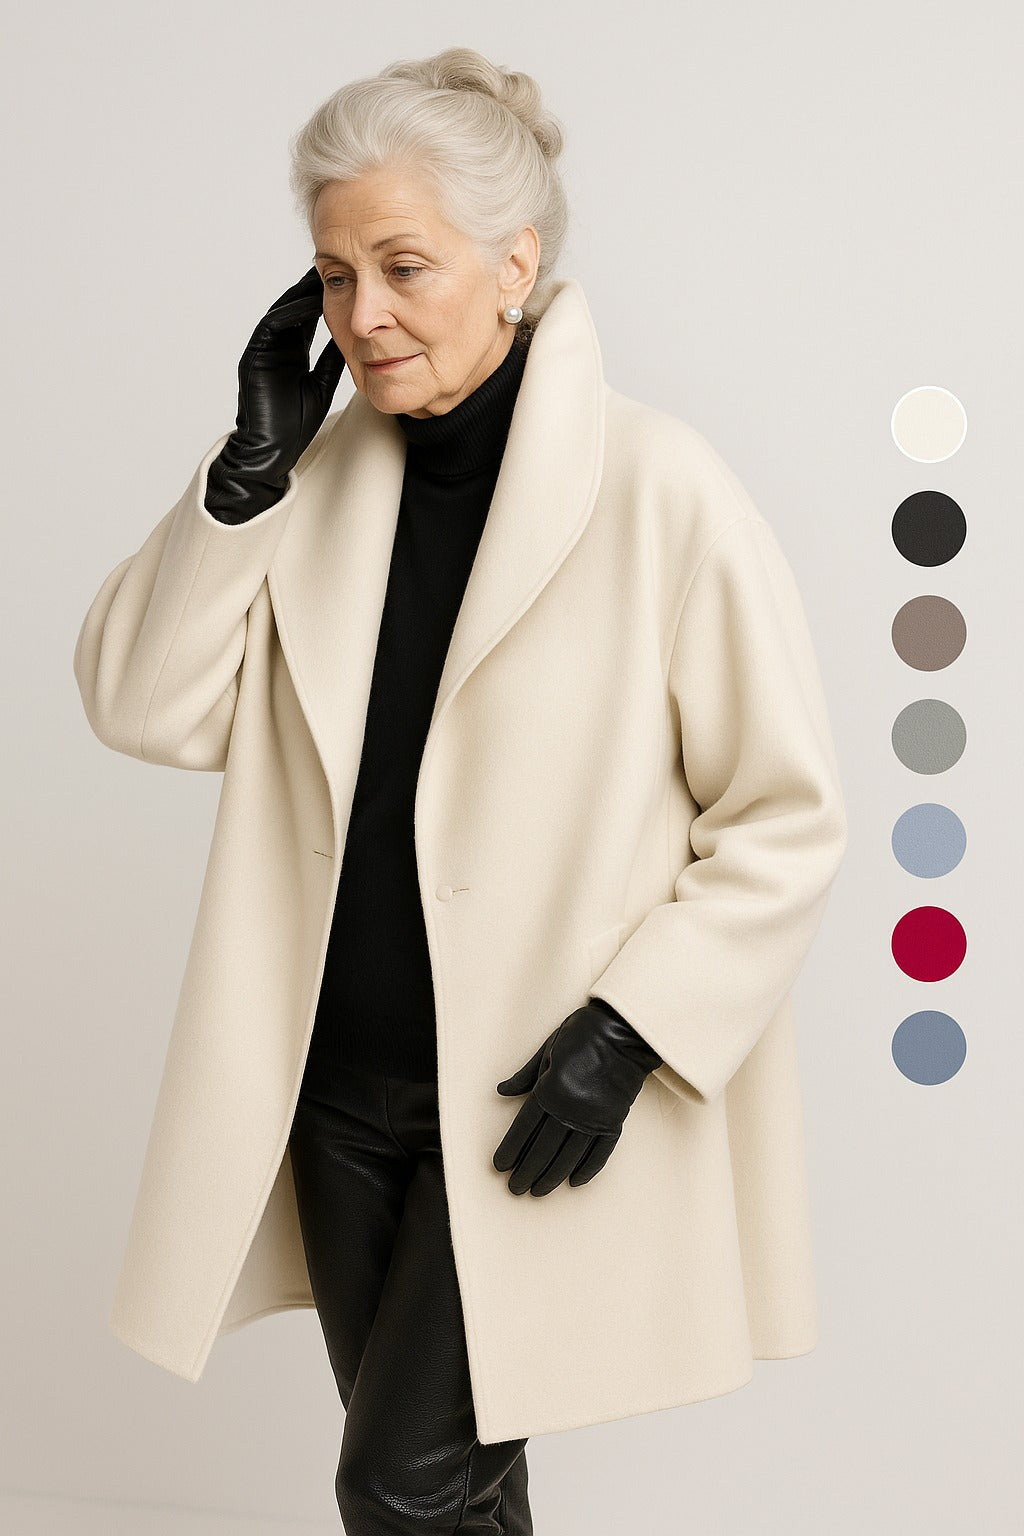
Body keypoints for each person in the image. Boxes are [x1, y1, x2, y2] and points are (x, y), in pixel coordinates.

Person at [73, 46, 848, 1536]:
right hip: (334, 1091)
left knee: (399, 1485)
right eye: (333, 274)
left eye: (403, 266)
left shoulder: (659, 488)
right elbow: (140, 707)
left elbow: (786, 813)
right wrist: (243, 477)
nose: (361, 314)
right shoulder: (307, 488)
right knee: (462, 1497)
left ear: (517, 263)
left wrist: (631, 1033)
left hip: (532, 1097)